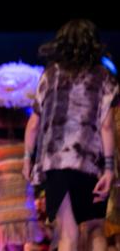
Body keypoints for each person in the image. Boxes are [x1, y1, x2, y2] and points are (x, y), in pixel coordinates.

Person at [24, 19, 119, 251]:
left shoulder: (49, 76)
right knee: (96, 227)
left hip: (55, 162)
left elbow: (34, 123)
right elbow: (107, 126)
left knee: (68, 234)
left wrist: (28, 158)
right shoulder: (104, 77)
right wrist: (109, 168)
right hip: (90, 163)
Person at [0, 62, 44, 251]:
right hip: (22, 178)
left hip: (2, 180)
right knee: (19, 237)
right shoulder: (27, 116)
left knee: (3, 235)